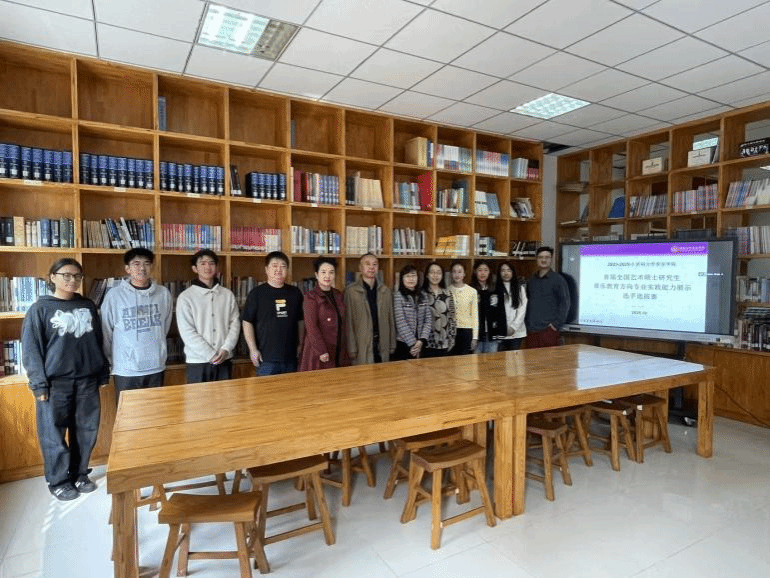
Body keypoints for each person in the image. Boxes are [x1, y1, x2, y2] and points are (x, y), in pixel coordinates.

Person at [21, 258, 110, 500]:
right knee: (53, 434)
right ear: (53, 277)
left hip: (87, 381)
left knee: (86, 430)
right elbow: (31, 349)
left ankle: (79, 473)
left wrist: (102, 372)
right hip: (55, 384)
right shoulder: (40, 309)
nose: (72, 280)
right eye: (66, 275)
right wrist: (39, 384)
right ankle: (58, 481)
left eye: (77, 276)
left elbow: (98, 341)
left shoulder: (88, 305)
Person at [101, 248, 173, 403]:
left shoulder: (163, 293)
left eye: (147, 263)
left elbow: (164, 327)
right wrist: (111, 360)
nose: (142, 268)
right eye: (136, 264)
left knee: (155, 413)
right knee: (128, 414)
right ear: (127, 268)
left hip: (155, 366)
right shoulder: (114, 295)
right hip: (126, 369)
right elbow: (106, 331)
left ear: (152, 266)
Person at [175, 249, 240, 383]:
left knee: (226, 396)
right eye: (203, 263)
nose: (207, 267)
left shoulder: (227, 295)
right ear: (195, 268)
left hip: (224, 359)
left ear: (216, 267)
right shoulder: (186, 297)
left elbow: (235, 323)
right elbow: (187, 331)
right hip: (198, 361)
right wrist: (210, 354)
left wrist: (227, 348)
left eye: (211, 263)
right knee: (199, 397)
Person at [241, 251, 304, 375]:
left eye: (283, 266)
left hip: (291, 357)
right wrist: (253, 349)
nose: (278, 270)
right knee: (266, 388)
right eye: (274, 266)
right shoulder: (256, 293)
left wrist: (301, 344)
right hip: (265, 358)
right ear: (266, 269)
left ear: (287, 270)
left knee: (292, 388)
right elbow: (247, 322)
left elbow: (301, 321)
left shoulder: (295, 293)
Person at [344, 252, 395, 364]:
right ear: (360, 268)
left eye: (375, 264)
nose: (371, 267)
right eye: (367, 264)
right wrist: (351, 348)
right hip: (362, 343)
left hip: (382, 342)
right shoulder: (351, 292)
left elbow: (390, 319)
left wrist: (392, 344)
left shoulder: (386, 291)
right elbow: (348, 322)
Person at [299, 257, 350, 371]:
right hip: (319, 351)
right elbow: (311, 327)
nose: (327, 276)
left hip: (338, 347)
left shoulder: (338, 295)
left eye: (331, 272)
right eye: (323, 272)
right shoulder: (310, 297)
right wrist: (321, 350)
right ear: (317, 275)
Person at [525, 246, 570, 348]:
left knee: (549, 358)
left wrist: (555, 326)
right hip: (531, 331)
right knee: (531, 358)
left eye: (547, 257)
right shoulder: (531, 279)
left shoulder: (558, 279)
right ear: (536, 259)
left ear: (551, 259)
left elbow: (565, 304)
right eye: (540, 257)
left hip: (548, 331)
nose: (543, 260)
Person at [392, 264, 431, 360]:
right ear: (402, 279)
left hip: (421, 343)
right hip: (404, 344)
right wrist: (413, 344)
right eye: (407, 276)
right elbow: (400, 322)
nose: (411, 279)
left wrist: (421, 340)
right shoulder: (398, 296)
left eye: (413, 275)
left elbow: (428, 319)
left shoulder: (423, 295)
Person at [421, 262, 456, 358]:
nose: (435, 275)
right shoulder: (422, 294)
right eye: (432, 272)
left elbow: (452, 318)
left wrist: (452, 339)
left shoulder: (448, 293)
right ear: (427, 275)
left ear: (442, 275)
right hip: (427, 343)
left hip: (445, 342)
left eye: (438, 272)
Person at [470, 260, 504, 353]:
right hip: (476, 335)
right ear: (475, 271)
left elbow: (501, 312)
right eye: (480, 270)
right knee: (475, 361)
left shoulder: (496, 289)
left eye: (486, 270)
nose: (483, 273)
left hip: (492, 333)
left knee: (491, 361)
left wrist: (500, 333)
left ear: (489, 272)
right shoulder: (470, 289)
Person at [495, 261, 527, 351]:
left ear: (513, 272)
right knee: (499, 358)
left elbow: (522, 310)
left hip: (516, 333)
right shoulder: (494, 288)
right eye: (503, 270)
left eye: (508, 270)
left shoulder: (520, 289)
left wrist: (513, 327)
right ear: (499, 273)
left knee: (515, 359)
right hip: (499, 333)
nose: (506, 273)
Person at [448, 261, 477, 355]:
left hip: (466, 331)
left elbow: (475, 315)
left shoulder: (472, 291)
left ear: (464, 274)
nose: (457, 274)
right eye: (454, 271)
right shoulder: (447, 290)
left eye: (460, 272)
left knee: (465, 360)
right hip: (451, 331)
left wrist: (474, 337)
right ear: (451, 274)